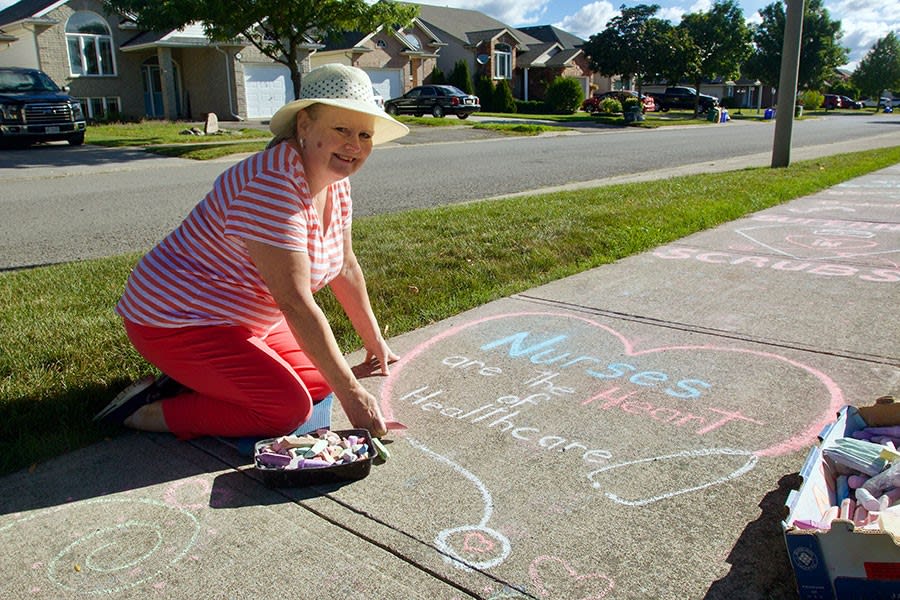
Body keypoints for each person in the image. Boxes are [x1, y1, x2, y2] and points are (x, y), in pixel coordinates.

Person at [94, 64, 409, 441]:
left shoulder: (334, 182)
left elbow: (346, 267)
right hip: (175, 319)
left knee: (319, 380)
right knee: (285, 410)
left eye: (364, 135)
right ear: (305, 126)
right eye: (341, 129)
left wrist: (375, 343)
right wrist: (354, 396)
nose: (354, 146)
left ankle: (197, 382)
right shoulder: (272, 185)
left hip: (239, 317)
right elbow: (293, 301)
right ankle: (143, 411)